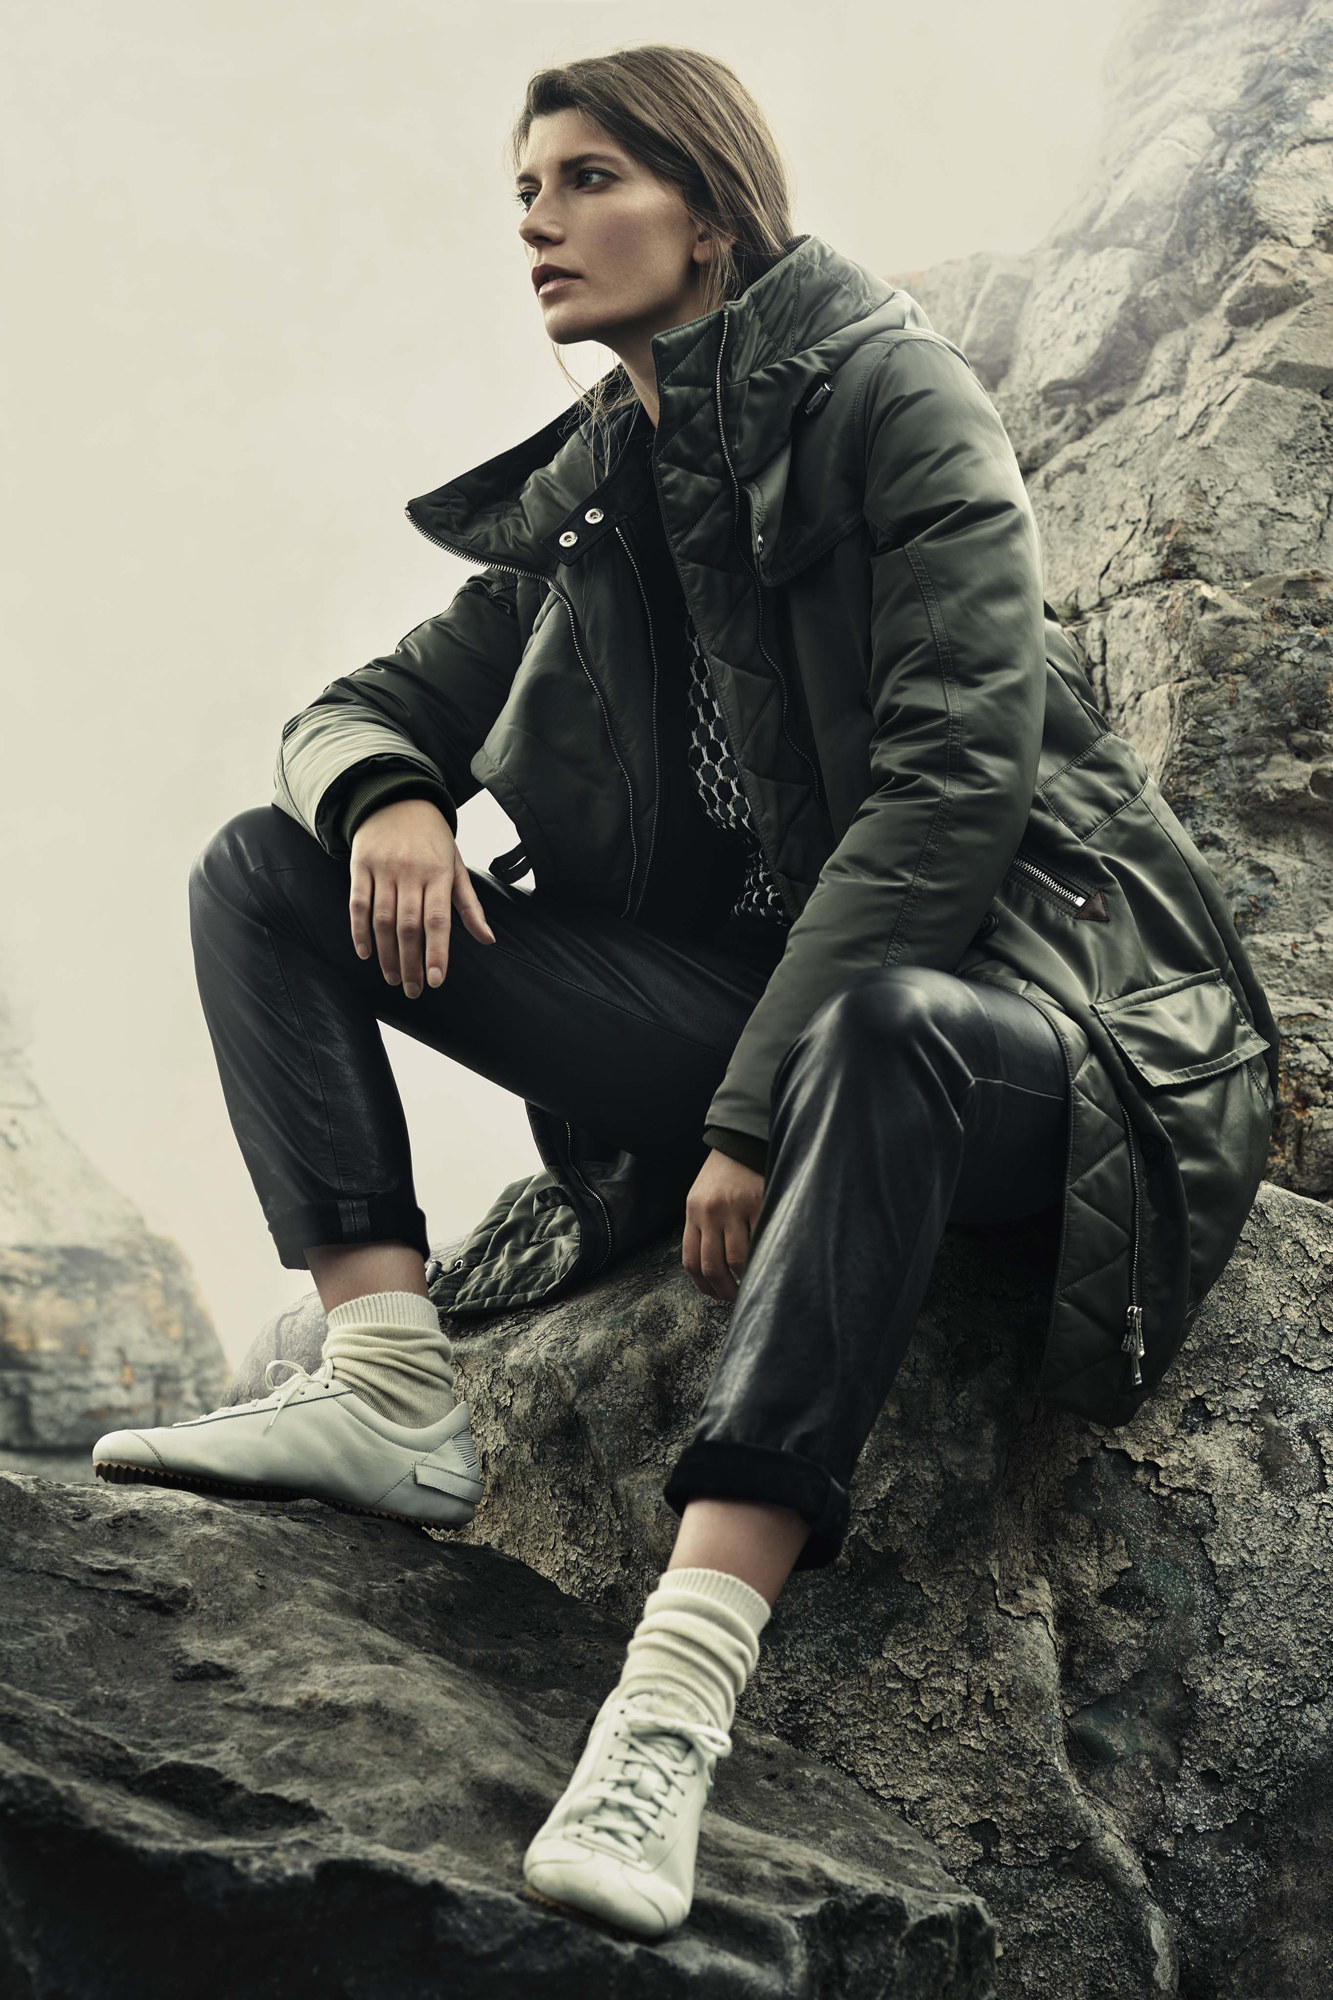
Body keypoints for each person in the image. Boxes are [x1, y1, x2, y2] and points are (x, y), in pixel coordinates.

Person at [92, 44, 1278, 1941]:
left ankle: (670, 1705)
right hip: (756, 1023)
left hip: (1031, 1027)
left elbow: (949, 792)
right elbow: (360, 704)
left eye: (585, 180)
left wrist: (746, 1121)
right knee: (264, 863)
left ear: (709, 212)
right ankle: (390, 1387)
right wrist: (391, 793)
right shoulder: (601, 498)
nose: (536, 224)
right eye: (522, 191)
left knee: (882, 1032)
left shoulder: (894, 400)